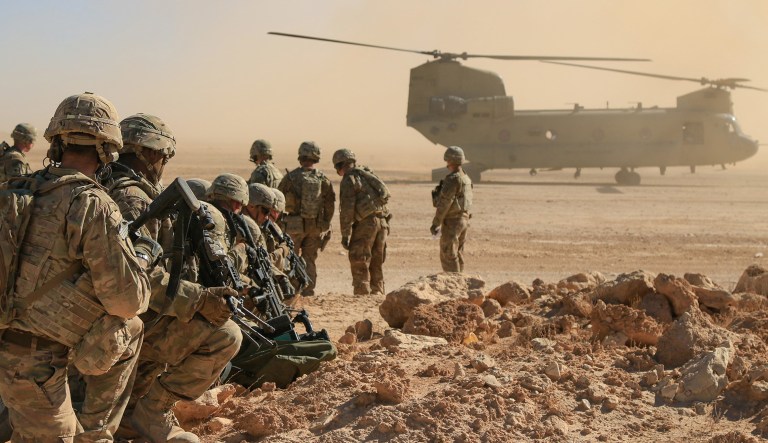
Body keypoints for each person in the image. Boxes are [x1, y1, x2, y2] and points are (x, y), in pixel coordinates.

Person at [0, 93, 151, 442]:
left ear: (55, 142)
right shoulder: (92, 204)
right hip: (33, 363)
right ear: (107, 151)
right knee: (130, 322)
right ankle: (95, 432)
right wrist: (141, 258)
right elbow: (126, 301)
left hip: (17, 352)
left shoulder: (17, 190)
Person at [104, 116, 241, 443]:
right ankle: (153, 411)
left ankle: (129, 413)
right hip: (116, 321)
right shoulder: (134, 198)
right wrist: (199, 299)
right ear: (150, 153)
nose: (163, 165)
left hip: (100, 316)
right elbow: (134, 276)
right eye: (164, 157)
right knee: (225, 335)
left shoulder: (104, 184)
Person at [277, 141, 335, 296]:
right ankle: (308, 290)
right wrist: (325, 223)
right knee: (309, 258)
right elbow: (330, 203)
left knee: (291, 258)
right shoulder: (323, 179)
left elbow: (278, 199)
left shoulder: (291, 177)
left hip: (293, 226)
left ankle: (293, 290)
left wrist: (278, 223)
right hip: (315, 226)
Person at [333, 149, 391, 295]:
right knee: (377, 259)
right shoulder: (367, 174)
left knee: (359, 258)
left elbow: (347, 210)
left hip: (367, 224)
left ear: (340, 165)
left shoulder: (349, 179)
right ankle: (378, 291)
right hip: (382, 222)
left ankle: (362, 293)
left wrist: (345, 234)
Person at [431, 146, 473, 272]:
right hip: (464, 219)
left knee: (448, 254)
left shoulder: (453, 179)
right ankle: (460, 280)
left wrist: (436, 223)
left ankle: (453, 281)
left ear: (450, 160)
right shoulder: (466, 177)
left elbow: (445, 203)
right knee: (458, 253)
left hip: (453, 221)